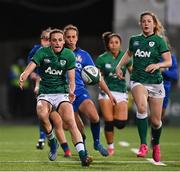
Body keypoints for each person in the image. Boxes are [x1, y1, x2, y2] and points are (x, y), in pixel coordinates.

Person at [19, 29, 92, 166]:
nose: (57, 42)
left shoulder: (69, 55)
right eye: (54, 40)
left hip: (61, 93)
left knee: (70, 121)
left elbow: (71, 80)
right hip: (45, 93)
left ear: (63, 41)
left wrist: (71, 92)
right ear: (50, 42)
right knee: (41, 113)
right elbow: (31, 66)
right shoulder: (42, 52)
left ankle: (83, 155)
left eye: (60, 40)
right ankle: (52, 142)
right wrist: (24, 75)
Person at [116, 11, 172, 162]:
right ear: (140, 24)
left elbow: (169, 62)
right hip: (138, 80)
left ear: (154, 24)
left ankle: (156, 143)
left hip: (155, 82)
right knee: (141, 107)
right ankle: (143, 144)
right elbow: (128, 53)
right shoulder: (134, 40)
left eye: (149, 21)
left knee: (156, 122)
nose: (146, 23)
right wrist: (119, 66)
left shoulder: (159, 41)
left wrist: (157, 64)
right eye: (144, 21)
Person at [63, 24, 116, 157]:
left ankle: (97, 142)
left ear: (77, 38)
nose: (71, 39)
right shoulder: (59, 54)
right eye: (68, 37)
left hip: (80, 92)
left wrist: (109, 94)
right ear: (64, 38)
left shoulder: (84, 55)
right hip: (64, 96)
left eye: (73, 37)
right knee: (77, 128)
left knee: (94, 116)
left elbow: (97, 76)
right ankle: (84, 151)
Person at [27, 28, 71, 157]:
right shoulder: (38, 51)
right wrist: (36, 83)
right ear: (42, 40)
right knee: (45, 116)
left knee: (61, 122)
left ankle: (64, 148)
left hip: (59, 91)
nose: (49, 41)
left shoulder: (60, 52)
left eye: (49, 39)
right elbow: (33, 70)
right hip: (45, 90)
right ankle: (48, 141)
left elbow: (62, 72)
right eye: (46, 39)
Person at [95, 32, 132, 155]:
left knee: (120, 124)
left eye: (116, 42)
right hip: (106, 92)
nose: (114, 45)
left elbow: (133, 73)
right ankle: (110, 146)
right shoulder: (101, 58)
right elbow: (97, 76)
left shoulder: (126, 57)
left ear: (120, 44)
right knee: (109, 121)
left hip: (121, 91)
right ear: (108, 44)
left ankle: (110, 126)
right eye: (111, 42)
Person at [160, 37, 178, 121]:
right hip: (151, 86)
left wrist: (163, 71)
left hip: (165, 88)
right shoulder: (151, 56)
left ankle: (154, 132)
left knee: (159, 117)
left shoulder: (171, 58)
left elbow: (175, 75)